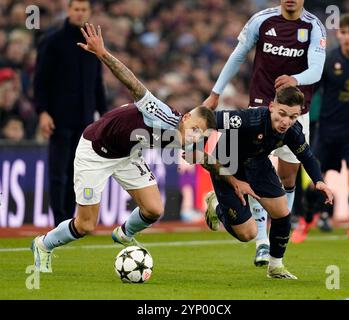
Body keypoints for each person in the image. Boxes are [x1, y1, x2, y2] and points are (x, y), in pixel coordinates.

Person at [31, 23, 240, 273]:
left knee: (154, 209)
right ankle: (43, 245)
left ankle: (124, 234)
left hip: (128, 154)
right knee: (86, 225)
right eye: (195, 129)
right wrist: (103, 54)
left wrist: (233, 181)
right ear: (185, 118)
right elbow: (134, 84)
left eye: (201, 134)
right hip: (95, 151)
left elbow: (207, 159)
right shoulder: (162, 115)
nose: (196, 137)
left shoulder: (189, 140)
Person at [203, 0, 326, 266]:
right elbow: (238, 55)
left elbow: (317, 69)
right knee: (258, 166)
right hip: (260, 107)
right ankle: (261, 240)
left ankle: (278, 232)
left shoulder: (314, 26)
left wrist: (296, 79)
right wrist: (216, 92)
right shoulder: (262, 20)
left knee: (287, 177)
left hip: (294, 111)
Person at [203, 86, 333, 279]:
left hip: (257, 163)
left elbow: (306, 155)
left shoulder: (292, 130)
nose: (286, 122)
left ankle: (275, 267)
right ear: (271, 106)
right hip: (226, 164)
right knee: (247, 234)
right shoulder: (248, 119)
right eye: (282, 114)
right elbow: (204, 120)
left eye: (293, 117)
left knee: (282, 212)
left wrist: (319, 181)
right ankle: (216, 205)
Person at [291, 13, 349, 246]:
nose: (347, 37)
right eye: (343, 32)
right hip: (327, 130)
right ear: (339, 34)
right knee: (316, 180)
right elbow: (313, 91)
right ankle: (305, 221)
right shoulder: (329, 60)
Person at [33, 0, 107, 226]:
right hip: (59, 117)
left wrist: (103, 114)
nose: (79, 13)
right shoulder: (52, 42)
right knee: (59, 172)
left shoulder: (93, 44)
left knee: (78, 172)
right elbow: (41, 80)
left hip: (85, 121)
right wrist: (43, 112)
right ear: (68, 11)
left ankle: (70, 222)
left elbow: (97, 83)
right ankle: (59, 221)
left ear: (89, 12)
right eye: (76, 9)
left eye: (84, 9)